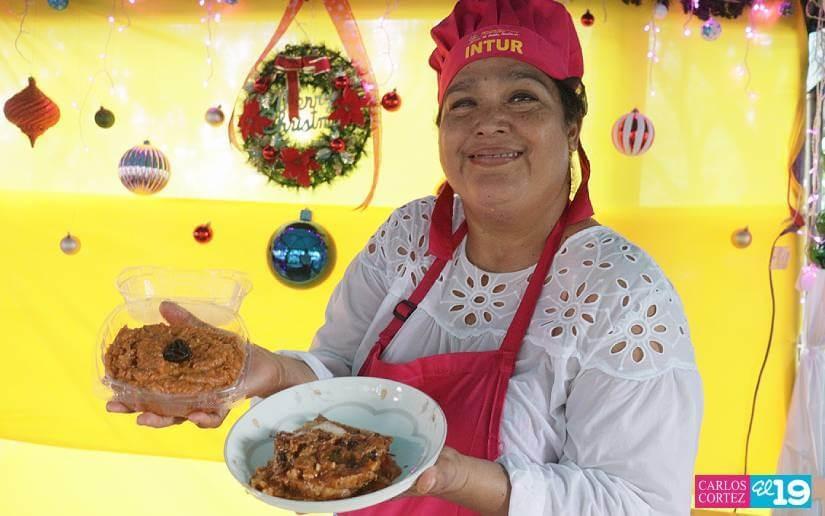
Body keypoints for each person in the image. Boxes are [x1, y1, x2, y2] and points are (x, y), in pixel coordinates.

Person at [108, 0, 703, 514]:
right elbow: (340, 369)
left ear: (573, 125)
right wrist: (273, 372)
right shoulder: (411, 235)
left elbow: (641, 503)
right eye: (463, 104)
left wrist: (456, 477)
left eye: (523, 98)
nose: (490, 123)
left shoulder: (622, 295)